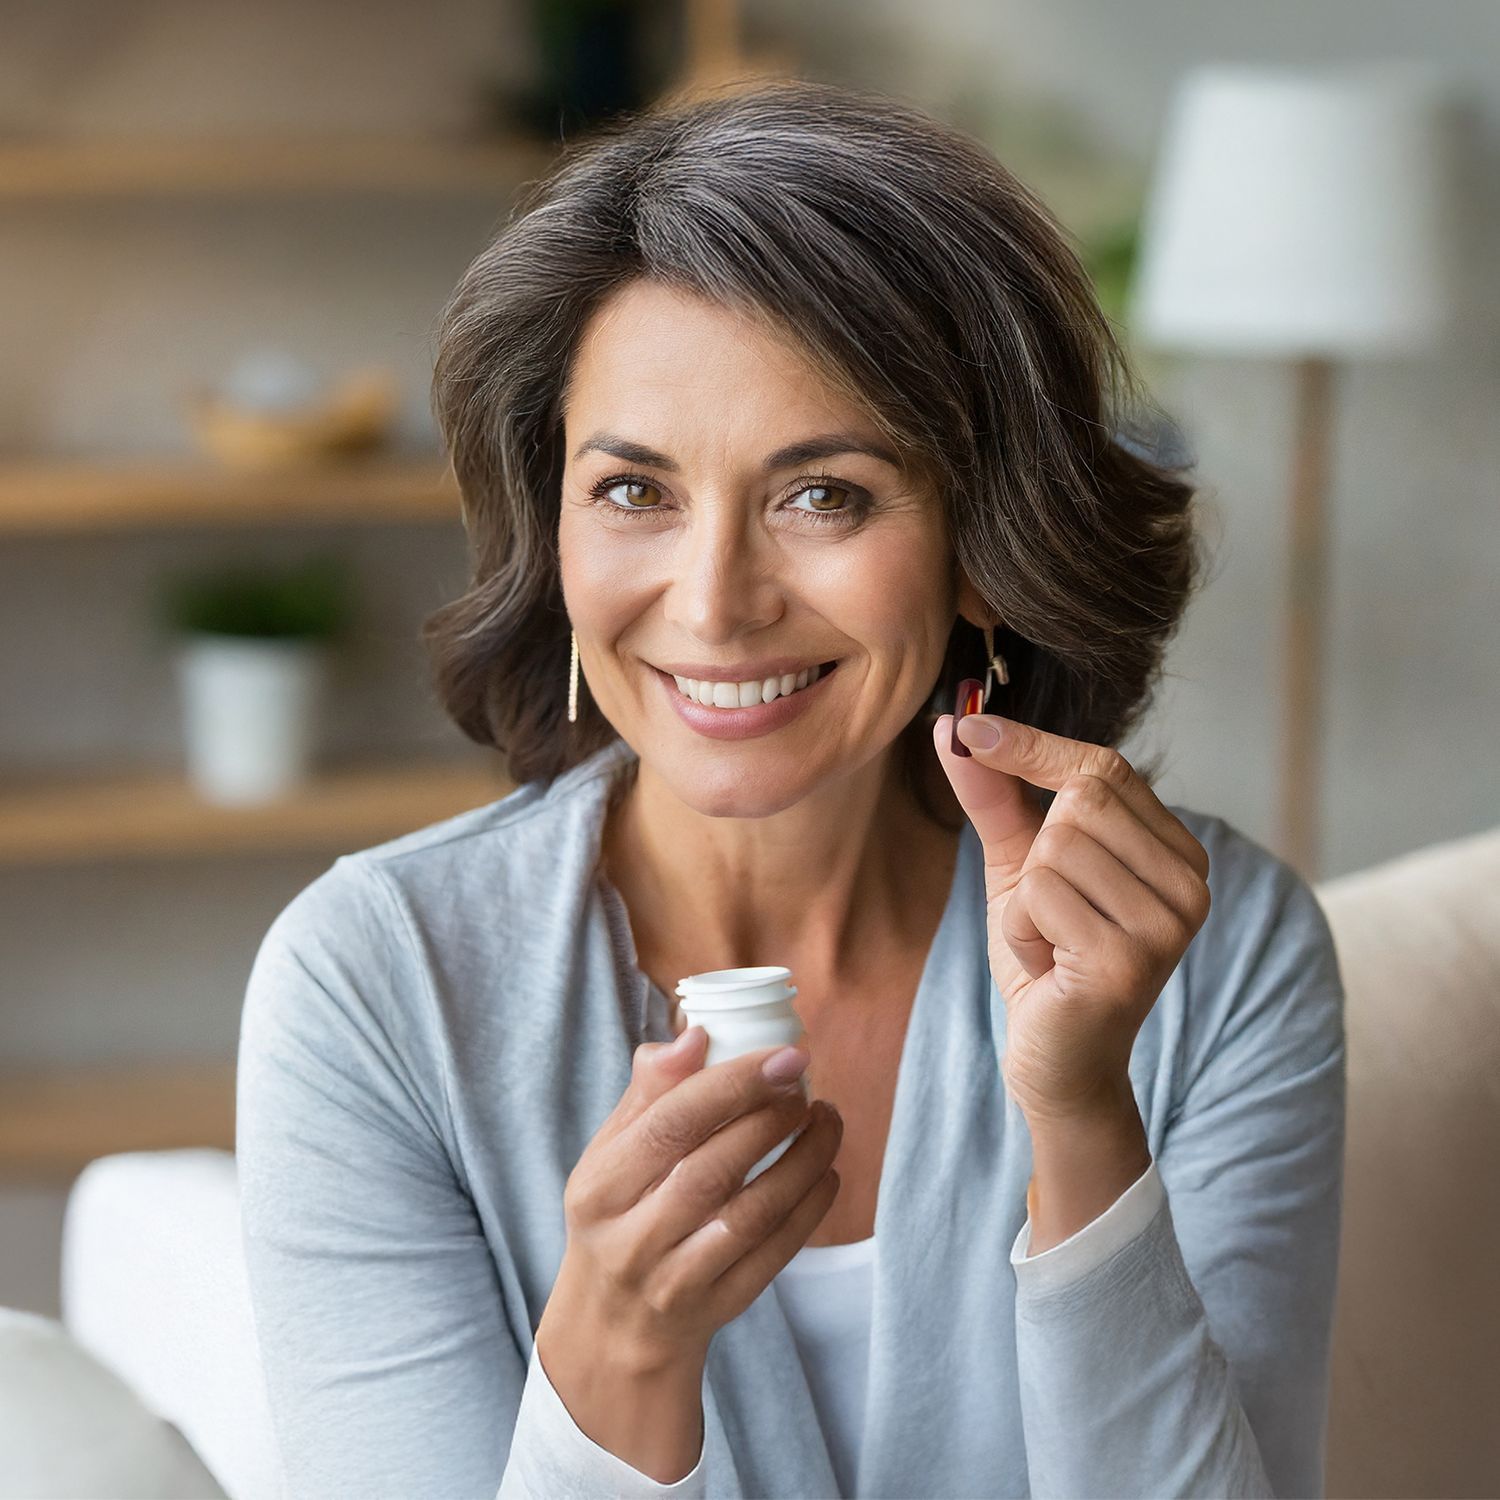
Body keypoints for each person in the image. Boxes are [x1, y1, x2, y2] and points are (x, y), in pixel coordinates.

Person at [236, 77, 1345, 1500]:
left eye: (824, 494)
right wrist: (619, 1350)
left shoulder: (1225, 958)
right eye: (636, 490)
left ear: (982, 546)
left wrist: (1081, 1123)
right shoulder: (377, 990)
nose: (714, 604)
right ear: (552, 524)